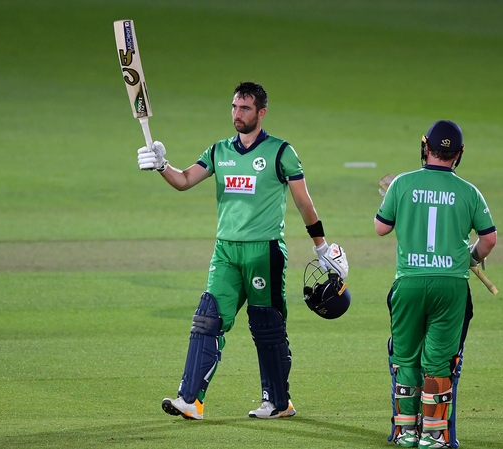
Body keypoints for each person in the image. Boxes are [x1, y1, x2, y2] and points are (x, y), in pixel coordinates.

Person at [136, 81, 348, 420]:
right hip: (226, 252)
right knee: (207, 319)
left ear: (261, 112)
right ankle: (190, 400)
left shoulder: (281, 152)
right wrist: (163, 166)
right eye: (234, 107)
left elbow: (303, 201)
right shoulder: (219, 151)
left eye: (245, 108)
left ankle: (278, 402)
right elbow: (185, 180)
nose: (237, 114)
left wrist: (321, 246)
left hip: (265, 252)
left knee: (267, 326)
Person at [375, 120, 497, 448]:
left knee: (406, 358)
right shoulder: (470, 192)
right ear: (458, 155)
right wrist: (469, 257)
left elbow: (381, 228)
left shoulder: (402, 184)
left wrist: (401, 205)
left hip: (410, 282)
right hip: (451, 286)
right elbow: (489, 239)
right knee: (438, 362)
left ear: (425, 146)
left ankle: (405, 431)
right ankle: (433, 434)